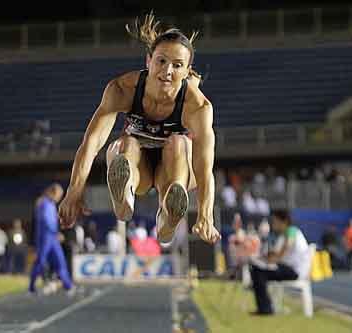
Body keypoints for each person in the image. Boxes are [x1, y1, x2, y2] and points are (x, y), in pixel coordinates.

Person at [58, 13, 220, 246]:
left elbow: (205, 168)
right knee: (126, 143)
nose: (167, 72)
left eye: (177, 65)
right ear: (148, 60)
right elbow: (91, 143)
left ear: (187, 71)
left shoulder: (197, 107)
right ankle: (124, 194)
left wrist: (206, 214)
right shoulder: (123, 89)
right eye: (161, 61)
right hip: (138, 164)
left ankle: (168, 211)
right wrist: (74, 190)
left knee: (179, 143)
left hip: (176, 168)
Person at [249, 210, 310, 315]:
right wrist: (265, 258)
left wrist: (271, 261)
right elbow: (276, 254)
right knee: (257, 269)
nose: (273, 224)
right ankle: (265, 306)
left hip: (294, 271)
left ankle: (265, 308)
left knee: (258, 272)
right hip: (287, 268)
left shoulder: (291, 231)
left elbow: (285, 250)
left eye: (275, 221)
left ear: (284, 221)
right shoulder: (284, 235)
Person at [29, 183, 74, 295]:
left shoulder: (50, 204)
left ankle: (68, 286)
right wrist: (56, 233)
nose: (59, 198)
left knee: (60, 261)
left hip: (52, 238)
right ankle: (31, 287)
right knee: (40, 261)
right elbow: (46, 221)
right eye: (59, 195)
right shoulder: (43, 203)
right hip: (45, 238)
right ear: (53, 192)